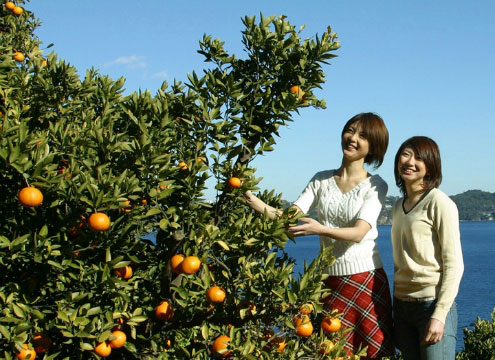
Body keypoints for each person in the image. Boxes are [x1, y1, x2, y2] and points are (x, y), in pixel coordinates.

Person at [244, 113, 394, 359]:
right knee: (331, 351)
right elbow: (287, 220)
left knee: (373, 353)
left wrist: (320, 229)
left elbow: (359, 233)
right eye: (350, 130)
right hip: (329, 281)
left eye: (363, 136)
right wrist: (251, 200)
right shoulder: (321, 179)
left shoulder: (376, 185)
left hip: (365, 280)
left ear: (373, 147)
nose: (353, 138)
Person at [391, 136, 464, 360]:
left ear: (430, 165)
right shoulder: (397, 207)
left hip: (431, 306)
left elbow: (454, 265)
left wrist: (439, 315)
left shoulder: (439, 203)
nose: (410, 162)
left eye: (419, 157)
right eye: (406, 154)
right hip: (402, 308)